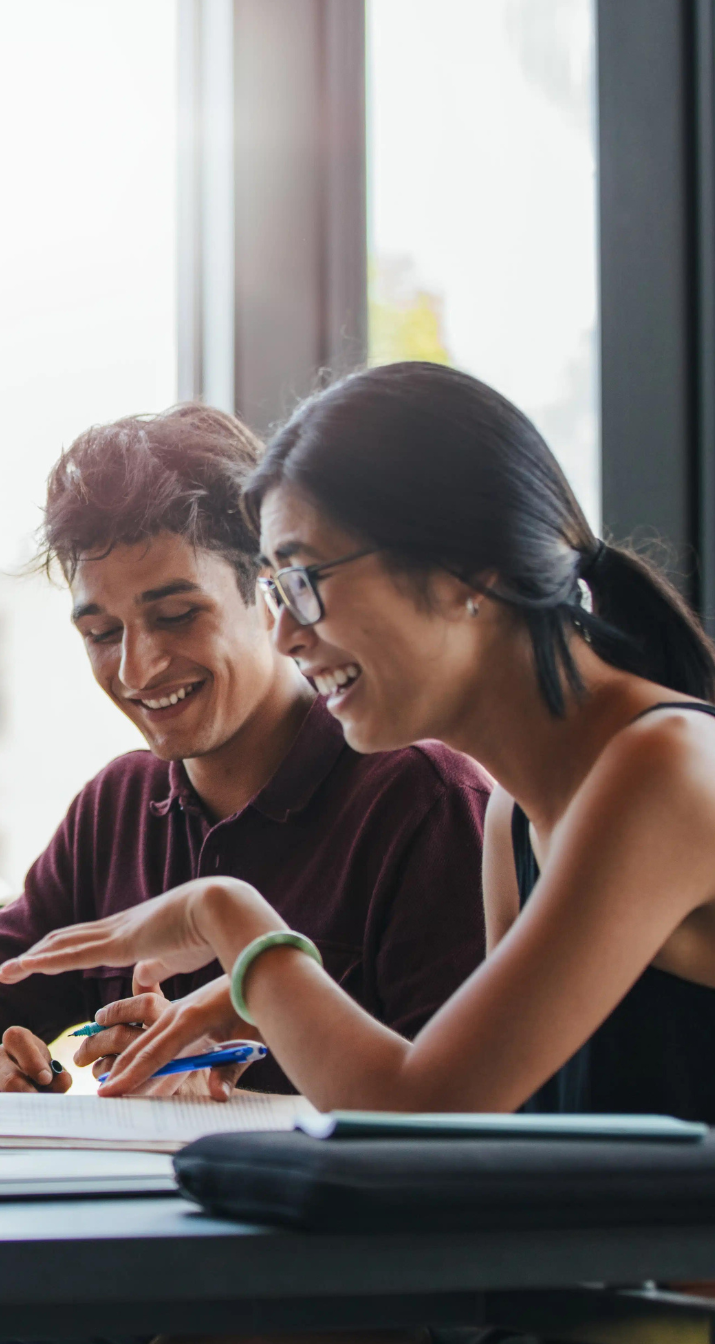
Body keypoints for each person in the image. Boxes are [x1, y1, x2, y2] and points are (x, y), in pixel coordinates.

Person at [7, 361, 715, 1124]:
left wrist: (229, 920)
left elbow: (427, 1114)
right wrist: (261, 1015)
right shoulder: (517, 815)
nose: (285, 633)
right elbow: (500, 1139)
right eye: (279, 589)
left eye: (306, 581)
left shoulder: (663, 766)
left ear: (464, 571)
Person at [0, 398, 491, 1098]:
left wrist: (243, 1049)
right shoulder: (118, 809)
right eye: (102, 634)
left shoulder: (424, 803)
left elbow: (459, 1115)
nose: (136, 671)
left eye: (175, 616)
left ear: (271, 594)